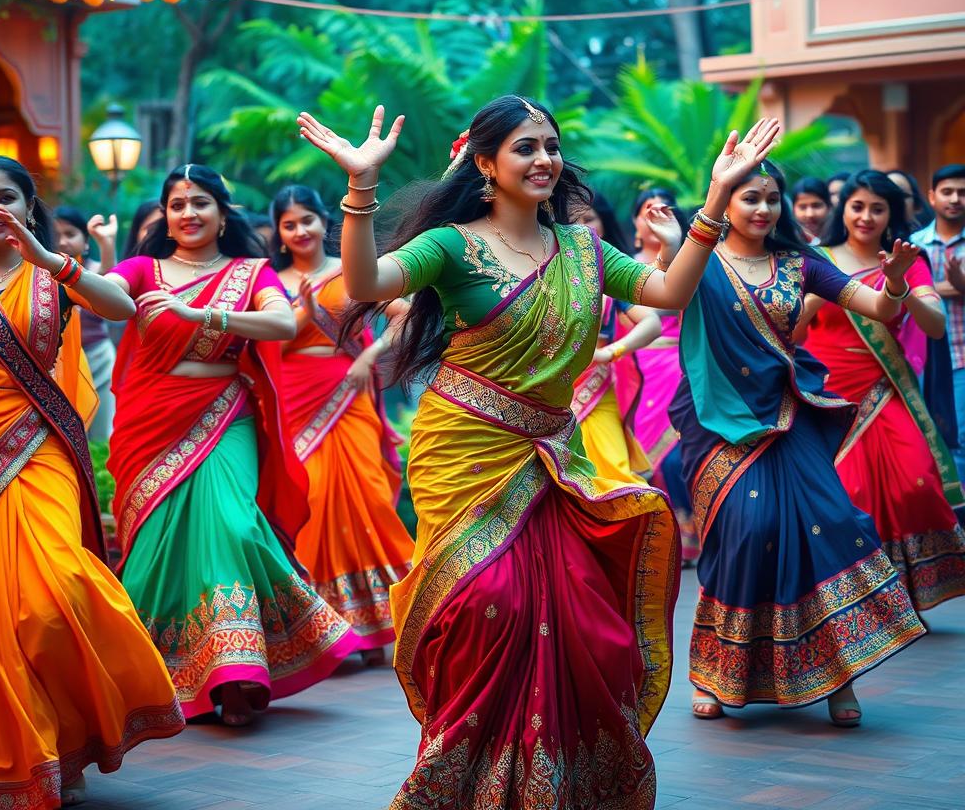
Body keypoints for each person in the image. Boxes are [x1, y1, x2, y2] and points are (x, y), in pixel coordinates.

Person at [298, 96, 780, 808]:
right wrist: (360, 187)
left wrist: (713, 202)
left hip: (555, 458)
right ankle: (462, 772)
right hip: (464, 451)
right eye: (526, 147)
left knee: (581, 617)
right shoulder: (452, 246)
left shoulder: (584, 251)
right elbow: (366, 284)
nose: (545, 159)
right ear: (484, 163)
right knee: (485, 604)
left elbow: (671, 292)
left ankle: (555, 780)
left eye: (552, 146)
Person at [0, 155, 184, 810]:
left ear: (28, 207)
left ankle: (62, 734)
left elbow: (124, 308)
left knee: (52, 595)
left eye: (7, 197)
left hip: (35, 444)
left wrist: (52, 258)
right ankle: (31, 751)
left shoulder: (53, 277)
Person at [672, 159, 927, 728]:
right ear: (725, 203)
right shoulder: (700, 261)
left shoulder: (801, 264)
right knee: (748, 533)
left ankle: (838, 676)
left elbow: (881, 310)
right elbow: (667, 289)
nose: (763, 209)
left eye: (771, 198)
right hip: (720, 423)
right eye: (750, 198)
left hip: (790, 414)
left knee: (833, 524)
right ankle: (716, 672)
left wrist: (896, 279)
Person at [106, 164, 360, 728]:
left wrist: (203, 313)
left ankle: (236, 671)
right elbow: (107, 296)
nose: (188, 213)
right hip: (150, 422)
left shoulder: (251, 273)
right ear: (165, 216)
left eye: (200, 203)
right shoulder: (143, 269)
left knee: (233, 524)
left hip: (225, 414)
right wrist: (56, 262)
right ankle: (161, 675)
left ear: (223, 213)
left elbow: (280, 326)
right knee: (155, 550)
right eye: (177, 204)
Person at [797, 170, 965, 613]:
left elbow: (934, 325)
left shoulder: (905, 259)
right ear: (843, 210)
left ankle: (906, 592)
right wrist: (815, 297)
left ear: (892, 214)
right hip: (828, 395)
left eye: (878, 208)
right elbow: (789, 331)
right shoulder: (816, 259)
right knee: (851, 496)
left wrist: (898, 284)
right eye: (858, 206)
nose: (866, 216)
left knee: (916, 483)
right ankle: (865, 600)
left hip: (883, 388)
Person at [269, 184, 414, 664]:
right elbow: (264, 344)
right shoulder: (271, 281)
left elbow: (404, 316)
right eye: (289, 224)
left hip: (347, 390)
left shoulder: (348, 272)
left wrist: (368, 356)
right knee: (310, 497)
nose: (300, 231)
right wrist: (299, 313)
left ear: (321, 221)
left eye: (307, 219)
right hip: (294, 397)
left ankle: (380, 620)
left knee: (364, 495)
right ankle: (326, 626)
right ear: (279, 232)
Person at [571, 192, 662, 487]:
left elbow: (651, 322)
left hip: (596, 391)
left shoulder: (608, 276)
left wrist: (610, 353)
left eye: (588, 220)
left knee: (617, 479)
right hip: (543, 393)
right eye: (570, 222)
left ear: (604, 224)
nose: (581, 229)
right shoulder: (541, 273)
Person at [629, 188, 698, 561]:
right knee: (641, 456)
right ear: (636, 222)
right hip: (633, 366)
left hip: (678, 362)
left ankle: (688, 536)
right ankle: (654, 541)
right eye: (647, 210)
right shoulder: (620, 263)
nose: (655, 216)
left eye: (664, 210)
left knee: (677, 454)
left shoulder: (691, 262)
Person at [912, 165, 965, 484]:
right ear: (932, 197)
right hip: (921, 360)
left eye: (962, 193)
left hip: (961, 358)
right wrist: (955, 286)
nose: (955, 199)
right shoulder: (913, 244)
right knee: (926, 439)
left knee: (959, 440)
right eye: (947, 192)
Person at [53, 205, 120, 440]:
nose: (62, 242)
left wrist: (106, 242)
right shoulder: (38, 275)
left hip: (98, 358)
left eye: (70, 234)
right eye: (55, 236)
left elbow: (110, 282)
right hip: (56, 362)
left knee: (102, 433)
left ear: (86, 242)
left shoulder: (90, 272)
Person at [790, 176, 830, 244]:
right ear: (793, 209)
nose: (810, 214)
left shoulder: (842, 240)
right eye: (802, 207)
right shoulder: (786, 242)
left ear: (829, 206)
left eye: (816, 206)